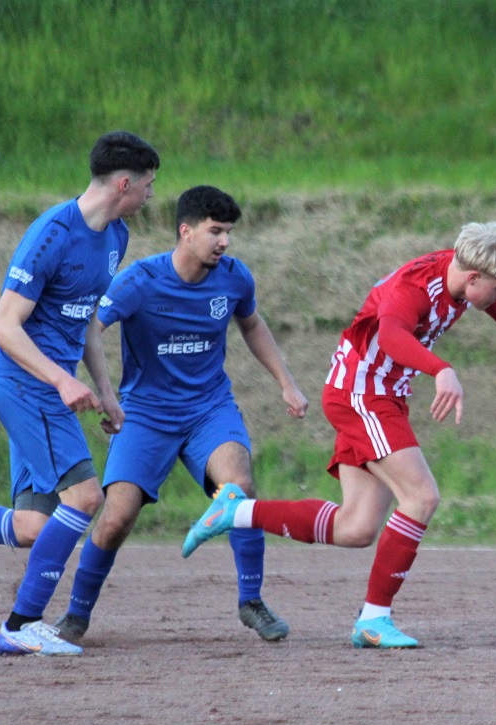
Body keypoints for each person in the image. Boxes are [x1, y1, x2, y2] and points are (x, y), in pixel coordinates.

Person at [181, 221, 496, 649]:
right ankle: (374, 620)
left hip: (378, 394)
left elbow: (483, 300)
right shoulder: (413, 289)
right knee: (421, 497)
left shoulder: (459, 275)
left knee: (356, 527)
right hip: (362, 395)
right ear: (472, 277)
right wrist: (442, 370)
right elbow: (392, 335)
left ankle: (237, 512)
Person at [50, 186, 308, 646]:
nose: (225, 241)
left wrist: (285, 382)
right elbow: (91, 328)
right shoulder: (139, 281)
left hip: (209, 408)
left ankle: (251, 601)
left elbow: (251, 323)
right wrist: (99, 392)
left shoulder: (234, 278)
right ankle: (76, 615)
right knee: (115, 519)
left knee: (240, 489)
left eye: (228, 232)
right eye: (215, 231)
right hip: (146, 415)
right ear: (185, 232)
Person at [0, 132, 159, 656]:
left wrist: (106, 391)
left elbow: (84, 325)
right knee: (85, 497)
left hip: (50, 389)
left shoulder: (116, 236)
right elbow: (2, 326)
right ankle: (20, 625)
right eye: (148, 185)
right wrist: (61, 379)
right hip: (25, 384)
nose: (151, 195)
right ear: (124, 183)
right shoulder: (53, 233)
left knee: (36, 526)